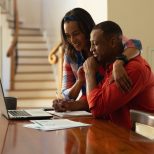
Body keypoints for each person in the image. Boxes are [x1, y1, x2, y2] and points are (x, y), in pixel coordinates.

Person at [52, 8, 142, 112]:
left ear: (86, 30)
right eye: (68, 36)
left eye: (76, 34)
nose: (72, 40)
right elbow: (67, 94)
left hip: (110, 108)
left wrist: (118, 63)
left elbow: (136, 44)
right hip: (94, 108)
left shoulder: (105, 45)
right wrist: (80, 81)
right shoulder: (70, 55)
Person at [83, 20, 154, 129]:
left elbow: (97, 108)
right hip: (119, 134)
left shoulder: (132, 70)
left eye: (95, 44)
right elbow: (98, 96)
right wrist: (68, 105)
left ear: (112, 42)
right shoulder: (112, 66)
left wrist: (89, 73)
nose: (91, 49)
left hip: (137, 142)